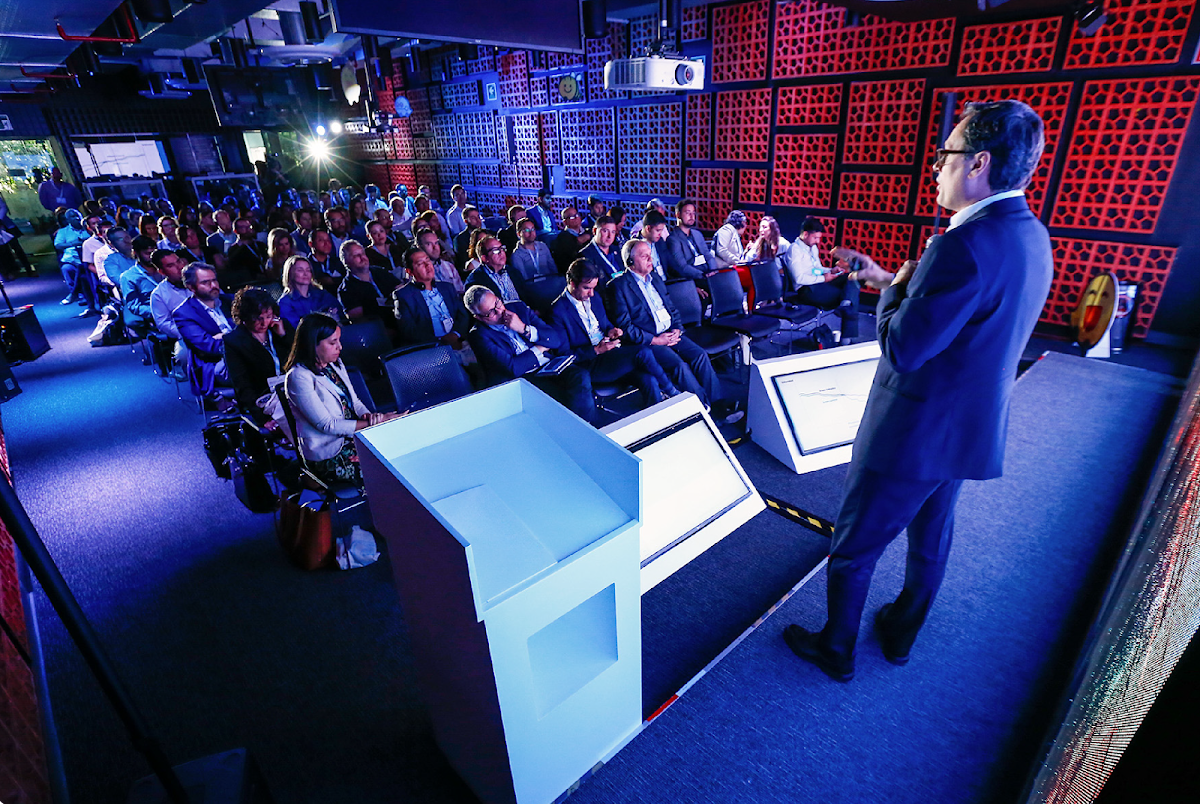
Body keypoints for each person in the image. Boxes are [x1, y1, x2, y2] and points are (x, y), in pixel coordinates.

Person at [782, 100, 1054, 682]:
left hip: (911, 432)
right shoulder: (1032, 236)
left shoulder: (960, 245)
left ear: (979, 163)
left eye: (945, 155)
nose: (935, 168)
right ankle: (901, 632)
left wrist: (890, 292)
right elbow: (968, 323)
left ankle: (836, 647)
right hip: (965, 428)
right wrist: (898, 280)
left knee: (854, 546)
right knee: (931, 539)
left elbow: (903, 347)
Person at [549, 259, 680, 419]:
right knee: (642, 352)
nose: (591, 293)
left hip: (609, 355)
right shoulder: (558, 311)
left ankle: (659, 420)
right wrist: (596, 350)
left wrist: (612, 331)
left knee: (649, 380)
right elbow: (565, 355)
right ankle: (673, 393)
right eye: (586, 288)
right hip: (590, 363)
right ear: (571, 283)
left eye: (593, 288)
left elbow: (605, 324)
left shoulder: (594, 298)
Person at [610, 239, 726, 414]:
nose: (651, 260)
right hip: (649, 341)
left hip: (670, 333)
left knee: (700, 355)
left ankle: (718, 403)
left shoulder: (655, 278)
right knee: (679, 366)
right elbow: (625, 327)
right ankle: (702, 407)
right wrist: (656, 340)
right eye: (644, 256)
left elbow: (671, 308)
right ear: (630, 262)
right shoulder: (618, 286)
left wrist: (677, 328)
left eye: (650, 255)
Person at [283, 313, 397, 487]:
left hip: (353, 436)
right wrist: (375, 424)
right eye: (332, 343)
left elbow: (355, 401)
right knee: (386, 470)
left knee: (399, 452)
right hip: (329, 451)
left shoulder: (334, 364)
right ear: (313, 344)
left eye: (338, 341)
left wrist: (369, 417)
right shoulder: (298, 377)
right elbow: (327, 425)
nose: (340, 347)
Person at [465, 286, 590, 419]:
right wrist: (540, 348)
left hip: (548, 365)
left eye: (497, 303)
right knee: (555, 396)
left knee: (580, 376)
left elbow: (554, 339)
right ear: (478, 317)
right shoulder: (478, 335)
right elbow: (513, 368)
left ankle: (589, 428)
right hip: (523, 379)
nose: (500, 311)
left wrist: (524, 329)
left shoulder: (518, 308)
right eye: (491, 312)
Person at [785, 217, 860, 343]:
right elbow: (799, 278)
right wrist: (823, 278)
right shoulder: (794, 250)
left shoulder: (812, 248)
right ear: (805, 234)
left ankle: (845, 304)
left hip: (818, 283)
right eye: (815, 238)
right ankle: (846, 338)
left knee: (853, 277)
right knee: (850, 298)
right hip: (805, 289)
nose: (818, 241)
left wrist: (830, 271)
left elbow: (816, 269)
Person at [224, 287, 293, 422]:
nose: (264, 323)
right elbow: (242, 385)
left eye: (268, 317)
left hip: (292, 390)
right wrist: (262, 418)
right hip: (263, 398)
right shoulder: (233, 341)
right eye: (257, 318)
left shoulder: (281, 327)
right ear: (245, 317)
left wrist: (284, 337)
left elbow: (301, 357)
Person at [172, 262, 235, 403]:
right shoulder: (184, 313)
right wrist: (239, 337)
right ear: (191, 287)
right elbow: (210, 347)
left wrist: (224, 336)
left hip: (243, 353)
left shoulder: (230, 301)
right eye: (206, 282)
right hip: (215, 363)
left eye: (214, 280)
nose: (213, 286)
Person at [392, 247, 471, 349]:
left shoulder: (447, 287)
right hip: (432, 348)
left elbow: (463, 315)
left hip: (459, 341)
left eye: (427, 260)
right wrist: (441, 341)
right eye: (420, 264)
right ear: (409, 271)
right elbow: (409, 331)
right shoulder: (403, 296)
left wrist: (455, 335)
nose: (427, 265)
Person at [337, 239, 400, 330]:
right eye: (356, 255)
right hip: (379, 331)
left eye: (362, 253)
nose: (362, 258)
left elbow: (401, 289)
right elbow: (357, 318)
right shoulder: (346, 289)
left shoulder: (380, 272)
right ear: (346, 261)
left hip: (401, 320)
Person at [279, 255, 342, 330]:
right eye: (300, 270)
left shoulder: (321, 294)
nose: (306, 274)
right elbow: (298, 329)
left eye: (308, 270)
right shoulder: (285, 302)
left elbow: (337, 312)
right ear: (290, 273)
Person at [664, 198, 717, 287]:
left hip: (708, 274)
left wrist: (713, 271)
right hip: (693, 278)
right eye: (688, 213)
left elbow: (708, 256)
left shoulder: (697, 234)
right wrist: (703, 275)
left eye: (693, 213)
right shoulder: (673, 239)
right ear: (678, 215)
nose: (692, 216)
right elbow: (682, 267)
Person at [119, 239, 165, 335]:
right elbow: (134, 306)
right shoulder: (129, 277)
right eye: (147, 253)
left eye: (154, 252)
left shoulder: (166, 267)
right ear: (136, 253)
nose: (152, 257)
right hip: (155, 313)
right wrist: (157, 311)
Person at [465, 234, 523, 305]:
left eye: (502, 248)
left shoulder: (513, 271)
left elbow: (526, 295)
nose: (501, 253)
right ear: (484, 258)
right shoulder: (475, 281)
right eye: (496, 250)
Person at [577, 215, 623, 286]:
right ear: (595, 231)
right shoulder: (585, 255)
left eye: (613, 232)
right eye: (605, 231)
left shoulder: (617, 250)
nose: (609, 236)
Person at [508, 217, 555, 283]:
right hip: (532, 288)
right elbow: (523, 279)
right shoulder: (517, 255)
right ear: (519, 234)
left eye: (533, 229)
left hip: (550, 283)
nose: (531, 233)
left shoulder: (543, 246)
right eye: (527, 230)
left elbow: (553, 268)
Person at [415, 228, 462, 293]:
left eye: (436, 243)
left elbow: (460, 291)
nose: (435, 247)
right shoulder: (417, 272)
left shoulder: (449, 266)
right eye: (429, 244)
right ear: (419, 247)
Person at [551, 207, 592, 274]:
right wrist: (578, 242)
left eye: (577, 215)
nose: (576, 218)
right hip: (576, 271)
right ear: (565, 222)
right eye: (572, 217)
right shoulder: (562, 238)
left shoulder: (588, 231)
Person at [632, 209, 670, 280]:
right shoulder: (635, 245)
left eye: (661, 230)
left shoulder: (660, 241)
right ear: (648, 228)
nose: (660, 234)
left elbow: (670, 263)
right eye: (658, 230)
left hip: (666, 281)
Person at [453, 206, 482, 275]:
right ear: (466, 221)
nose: (478, 220)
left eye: (478, 217)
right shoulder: (460, 239)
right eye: (473, 218)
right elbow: (463, 260)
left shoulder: (488, 233)